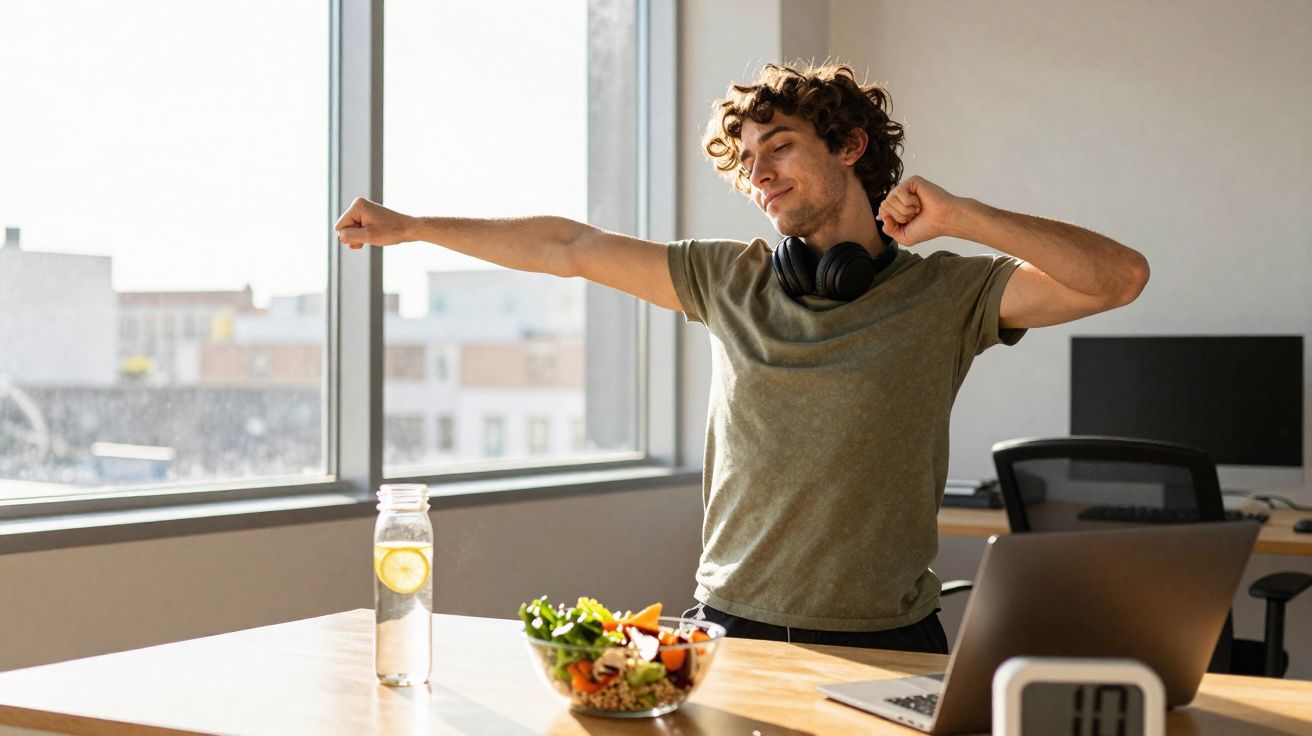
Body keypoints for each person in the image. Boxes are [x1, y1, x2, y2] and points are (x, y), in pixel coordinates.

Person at [335, 62, 1149, 653]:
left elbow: (1118, 279)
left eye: (781, 147)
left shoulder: (948, 294)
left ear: (851, 145)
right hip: (727, 630)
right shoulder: (729, 278)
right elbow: (571, 246)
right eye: (748, 164)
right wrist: (413, 228)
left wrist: (966, 215)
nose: (759, 174)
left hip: (887, 641)